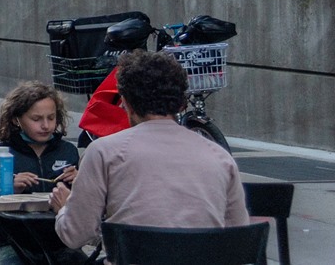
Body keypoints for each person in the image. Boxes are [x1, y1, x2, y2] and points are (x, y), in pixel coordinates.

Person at [50, 51, 249, 251]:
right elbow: (239, 239)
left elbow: (75, 235)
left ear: (126, 103)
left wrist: (64, 209)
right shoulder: (220, 156)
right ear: (181, 103)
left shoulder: (103, 152)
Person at [0, 82, 83, 265]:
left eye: (51, 118)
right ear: (17, 120)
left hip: (61, 243)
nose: (46, 125)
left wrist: (81, 182)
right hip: (13, 244)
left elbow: (84, 206)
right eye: (36, 119)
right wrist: (7, 190)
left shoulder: (68, 151)